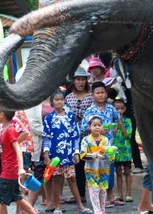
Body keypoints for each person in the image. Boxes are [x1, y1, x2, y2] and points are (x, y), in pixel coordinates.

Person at [42, 91, 90, 214]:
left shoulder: (70, 117)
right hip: (55, 155)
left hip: (68, 154)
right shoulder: (49, 118)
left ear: (64, 101)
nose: (59, 102)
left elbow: (75, 136)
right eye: (56, 100)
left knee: (72, 179)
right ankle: (57, 207)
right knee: (57, 179)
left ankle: (80, 206)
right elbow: (46, 137)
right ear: (52, 102)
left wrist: (76, 152)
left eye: (61, 99)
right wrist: (46, 155)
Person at [81, 82, 120, 208]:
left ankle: (110, 198)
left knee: (108, 171)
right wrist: (97, 130)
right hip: (94, 147)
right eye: (98, 93)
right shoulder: (90, 111)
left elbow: (117, 119)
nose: (100, 95)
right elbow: (83, 128)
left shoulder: (111, 108)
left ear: (106, 94)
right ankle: (97, 202)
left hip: (109, 146)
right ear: (93, 95)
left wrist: (114, 129)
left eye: (103, 92)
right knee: (95, 174)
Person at [65, 67, 94, 203]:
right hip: (75, 137)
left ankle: (97, 195)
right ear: (73, 81)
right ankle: (81, 194)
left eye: (83, 79)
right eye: (78, 79)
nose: (80, 82)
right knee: (78, 166)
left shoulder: (91, 96)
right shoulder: (68, 97)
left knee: (93, 164)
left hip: (90, 136)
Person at [80, 116, 111, 214]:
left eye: (99, 125)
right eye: (94, 125)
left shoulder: (106, 140)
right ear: (89, 127)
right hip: (91, 170)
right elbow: (83, 155)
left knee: (103, 191)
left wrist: (109, 155)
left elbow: (110, 154)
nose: (97, 127)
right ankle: (97, 211)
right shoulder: (86, 140)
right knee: (93, 190)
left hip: (104, 169)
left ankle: (103, 210)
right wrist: (94, 155)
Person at [112, 99, 132, 203]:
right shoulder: (111, 121)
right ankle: (120, 194)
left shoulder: (128, 120)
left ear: (124, 109)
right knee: (118, 172)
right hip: (116, 150)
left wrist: (121, 123)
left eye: (121, 108)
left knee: (127, 172)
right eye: (117, 109)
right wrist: (117, 123)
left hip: (126, 150)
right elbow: (113, 133)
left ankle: (129, 194)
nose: (119, 111)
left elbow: (126, 135)